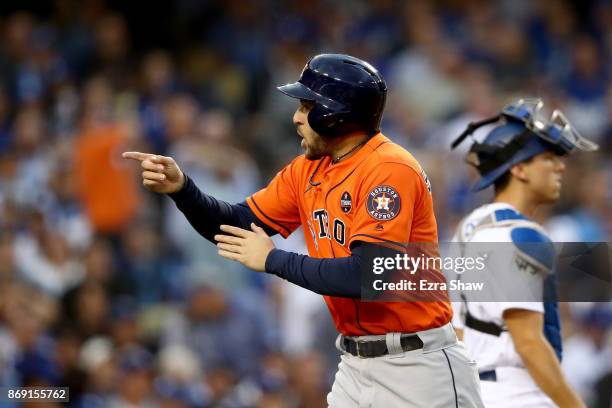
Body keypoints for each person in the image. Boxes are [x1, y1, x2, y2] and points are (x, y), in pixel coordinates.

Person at [124, 53, 483, 407]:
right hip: (356, 364)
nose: (296, 117)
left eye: (307, 106)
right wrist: (183, 189)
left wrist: (274, 260)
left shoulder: (390, 168)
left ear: (335, 114)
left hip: (417, 366)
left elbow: (367, 276)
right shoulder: (307, 170)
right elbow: (236, 226)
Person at [450, 98, 597, 408]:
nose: (560, 166)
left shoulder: (470, 227)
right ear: (518, 169)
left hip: (476, 392)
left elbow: (458, 332)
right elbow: (529, 343)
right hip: (518, 394)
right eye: (547, 157)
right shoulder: (520, 235)